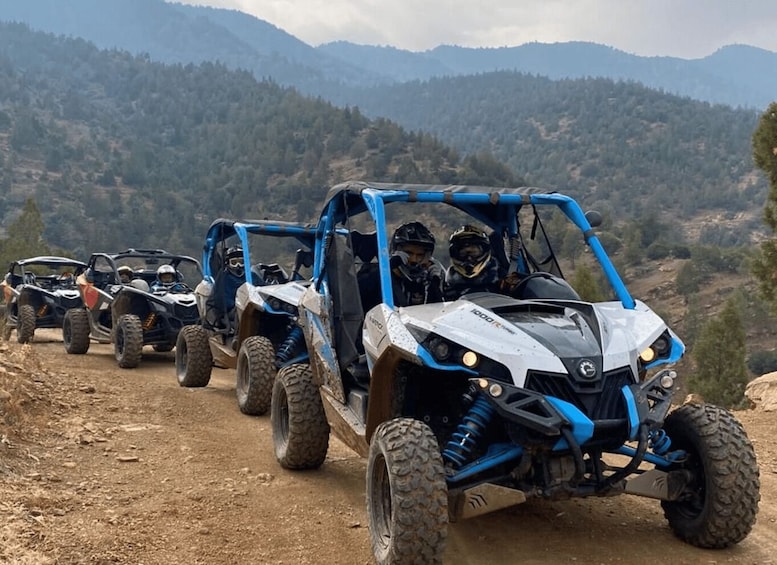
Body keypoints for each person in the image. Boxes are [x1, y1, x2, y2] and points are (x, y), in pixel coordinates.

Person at [389, 221, 444, 306]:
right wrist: (386, 270)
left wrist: (435, 283)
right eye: (408, 253)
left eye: (420, 255)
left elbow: (440, 313)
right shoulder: (379, 277)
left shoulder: (425, 283)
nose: (413, 260)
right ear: (396, 252)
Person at [444, 224, 502, 299]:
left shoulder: (502, 277)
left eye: (473, 252)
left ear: (485, 251)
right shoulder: (446, 284)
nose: (469, 258)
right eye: (463, 253)